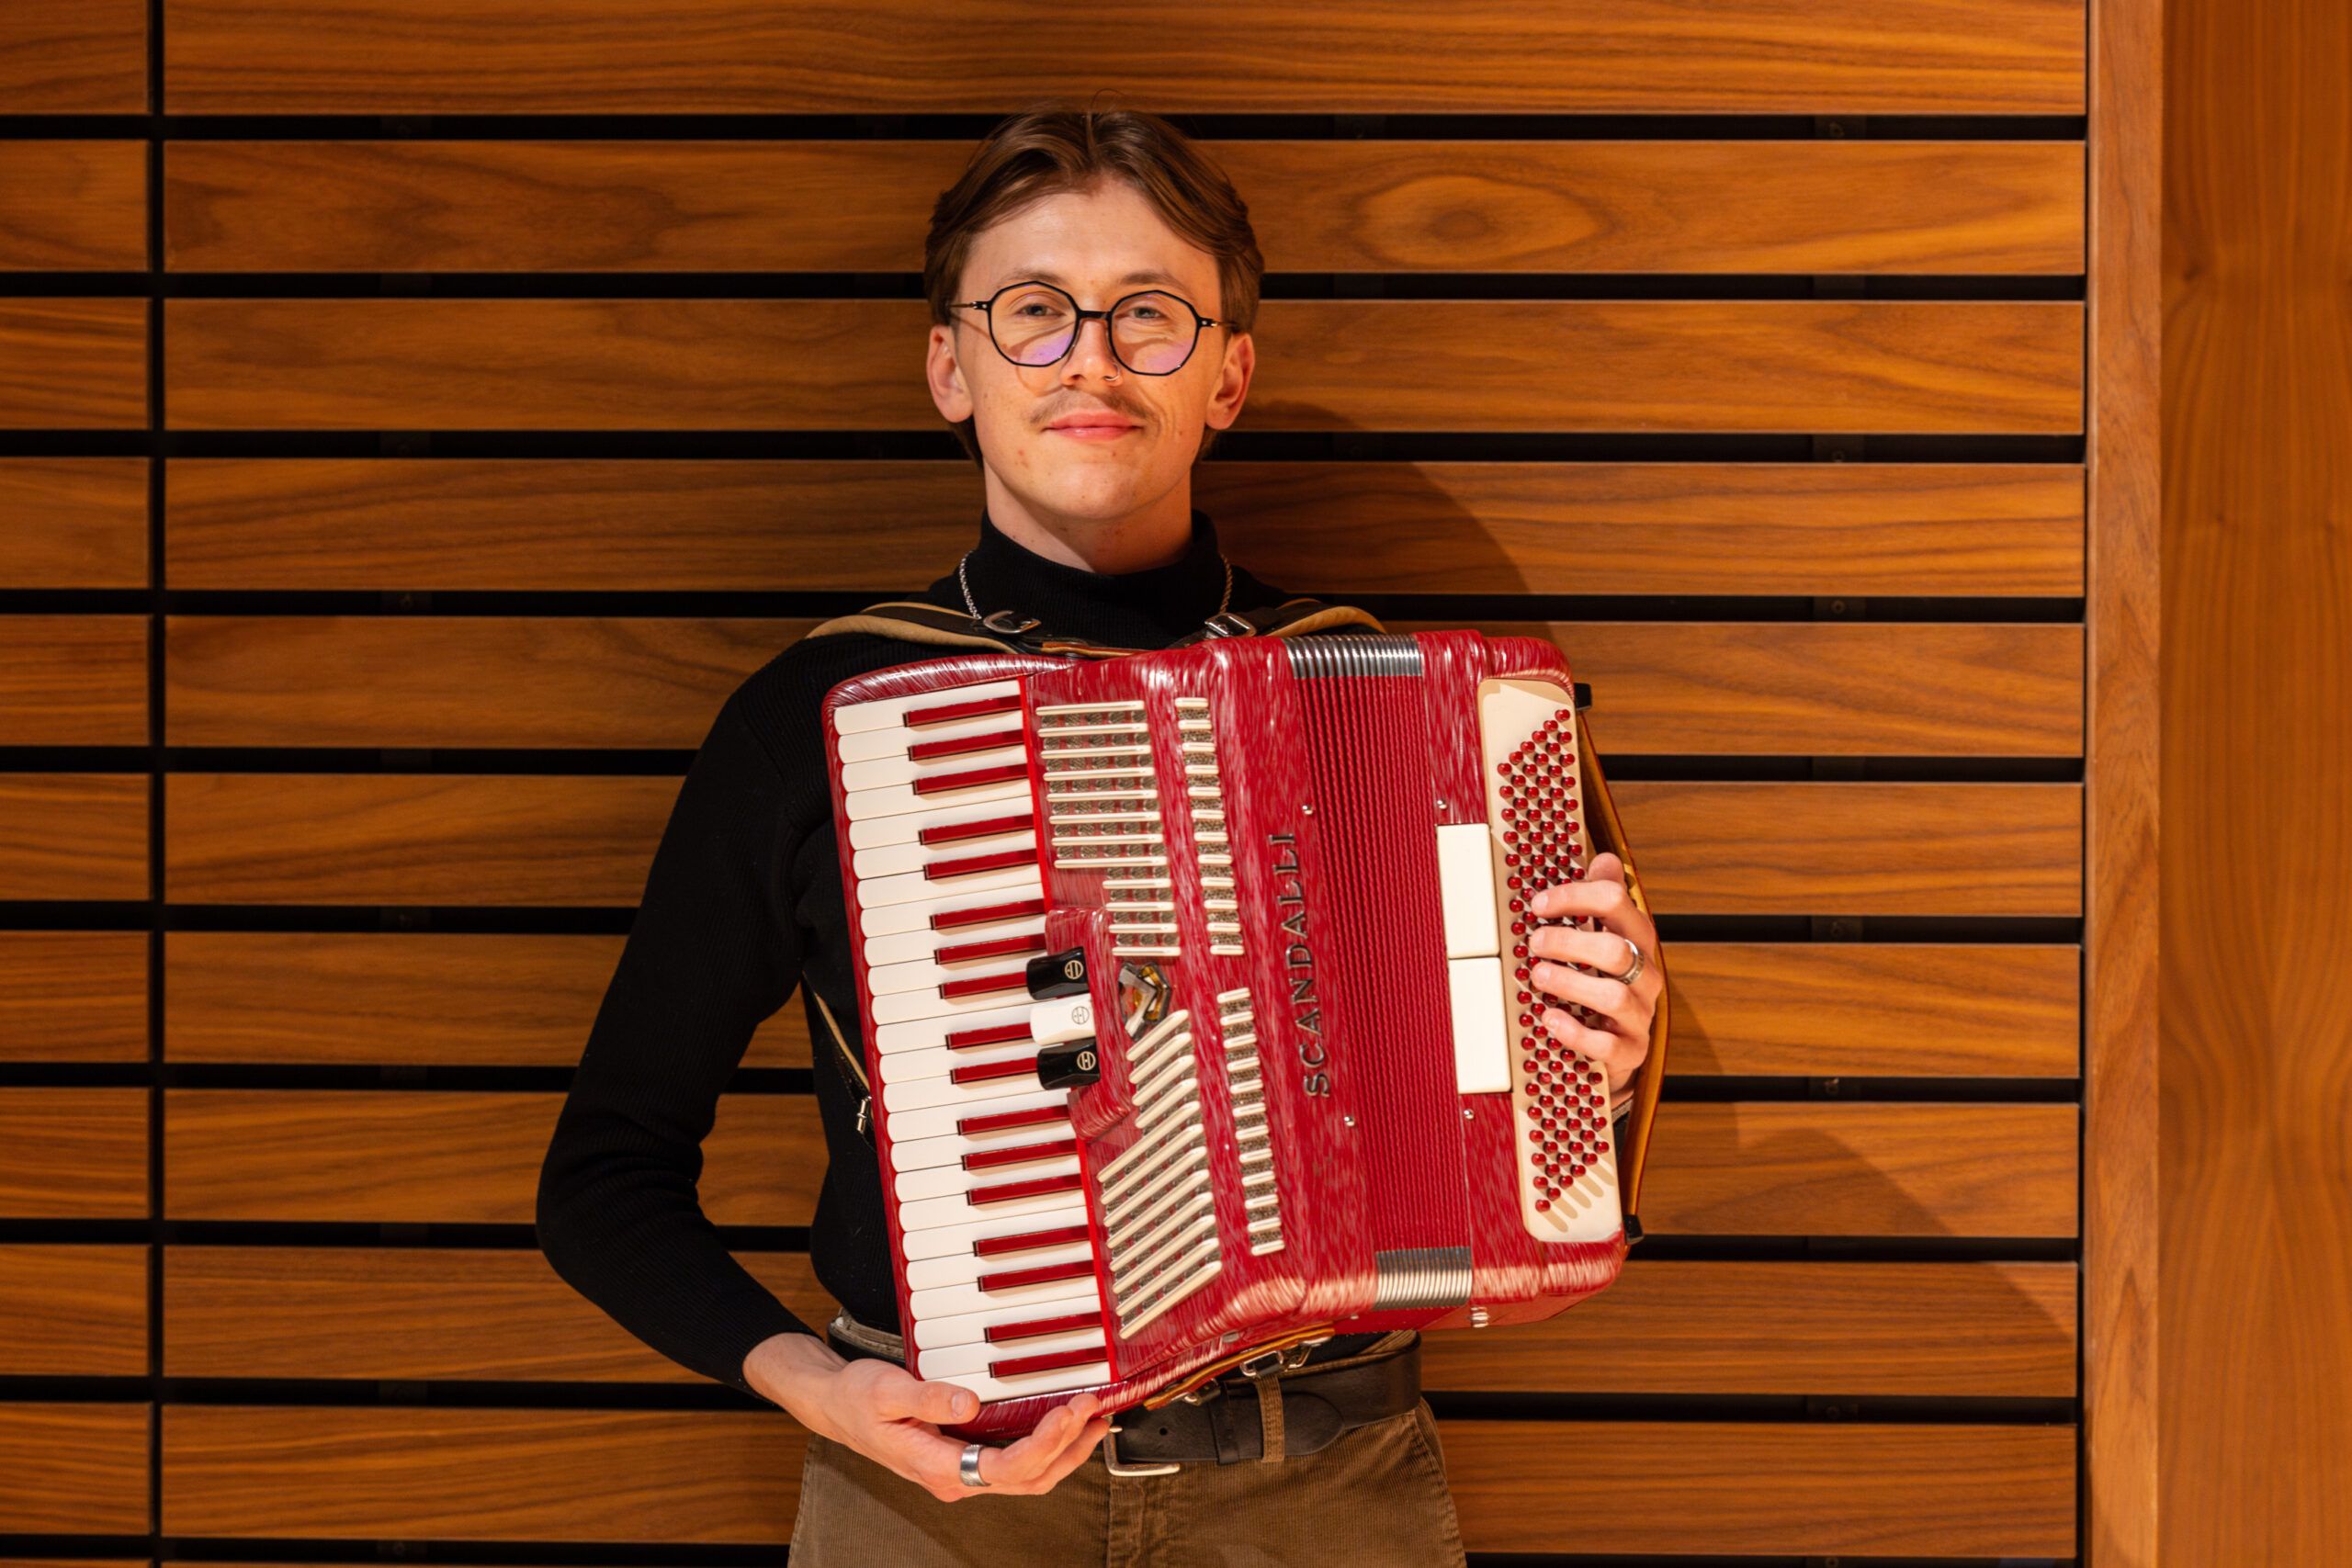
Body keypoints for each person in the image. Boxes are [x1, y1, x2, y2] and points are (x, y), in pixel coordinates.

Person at [536, 101, 1661, 1566]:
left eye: (1149, 316)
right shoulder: (813, 715)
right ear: (950, 364)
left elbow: (1541, 1163)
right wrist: (821, 1391)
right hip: (936, 1502)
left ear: (1230, 374)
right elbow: (605, 1172)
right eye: (1032, 313)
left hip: (1327, 1495)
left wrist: (1605, 1061)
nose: (1090, 360)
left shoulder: (1415, 712)